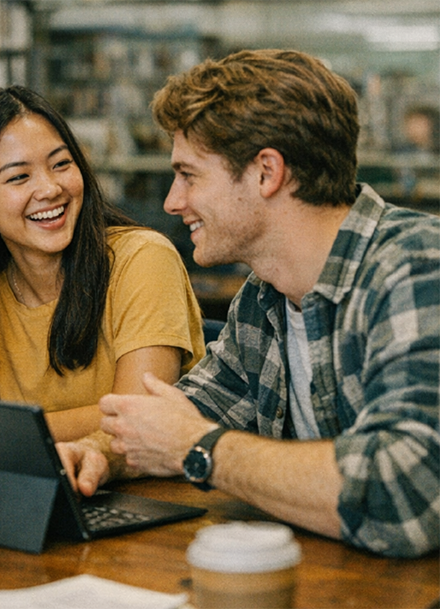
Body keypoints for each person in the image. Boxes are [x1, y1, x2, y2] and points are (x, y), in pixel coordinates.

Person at [61, 49, 440, 558]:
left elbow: (404, 492)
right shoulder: (265, 296)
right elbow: (189, 413)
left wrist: (201, 449)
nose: (173, 202)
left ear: (266, 172)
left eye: (189, 175)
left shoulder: (417, 266)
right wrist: (99, 454)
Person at [0, 85, 205, 442]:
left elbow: (140, 419)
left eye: (61, 164)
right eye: (19, 176)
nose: (49, 188)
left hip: (145, 488)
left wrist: (3, 432)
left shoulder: (143, 259)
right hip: (38, 489)